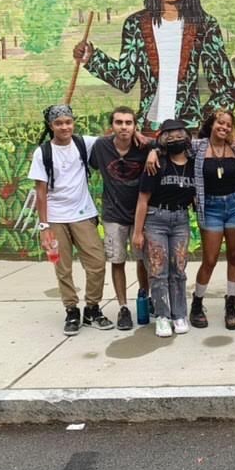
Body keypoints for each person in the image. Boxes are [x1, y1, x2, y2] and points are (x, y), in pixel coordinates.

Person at [74, 0, 235, 131]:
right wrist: (91, 58)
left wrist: (202, 124)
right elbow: (125, 78)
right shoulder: (136, 24)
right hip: (147, 129)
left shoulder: (204, 24)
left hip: (187, 130)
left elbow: (226, 89)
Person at [28, 104, 113, 336]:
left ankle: (92, 308)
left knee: (96, 262)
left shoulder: (83, 143)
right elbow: (41, 192)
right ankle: (71, 310)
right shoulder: (43, 153)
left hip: (83, 214)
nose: (64, 127)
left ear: (73, 122)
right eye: (59, 123)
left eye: (68, 122)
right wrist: (44, 226)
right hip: (55, 218)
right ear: (51, 126)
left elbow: (110, 139)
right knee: (62, 267)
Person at [89, 106, 151, 330]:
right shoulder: (101, 146)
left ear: (135, 126)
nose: (124, 127)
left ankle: (145, 297)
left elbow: (166, 144)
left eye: (128, 123)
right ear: (112, 126)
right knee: (117, 261)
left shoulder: (145, 146)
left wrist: (152, 150)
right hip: (113, 214)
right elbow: (91, 162)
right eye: (119, 122)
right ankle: (123, 307)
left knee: (143, 259)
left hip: (140, 215)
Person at [132, 118, 196, 337]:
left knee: (179, 269)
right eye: (170, 136)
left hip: (181, 220)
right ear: (163, 140)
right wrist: (138, 232)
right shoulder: (156, 162)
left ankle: (179, 314)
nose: (175, 139)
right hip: (156, 219)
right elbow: (143, 199)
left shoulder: (193, 163)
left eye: (179, 135)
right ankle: (162, 315)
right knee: (158, 270)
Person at [188, 109, 235, 331]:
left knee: (234, 255)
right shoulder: (197, 147)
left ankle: (230, 304)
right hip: (211, 207)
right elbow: (168, 144)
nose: (224, 127)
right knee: (210, 259)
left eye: (228, 125)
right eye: (220, 123)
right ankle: (197, 302)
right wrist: (154, 153)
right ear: (212, 124)